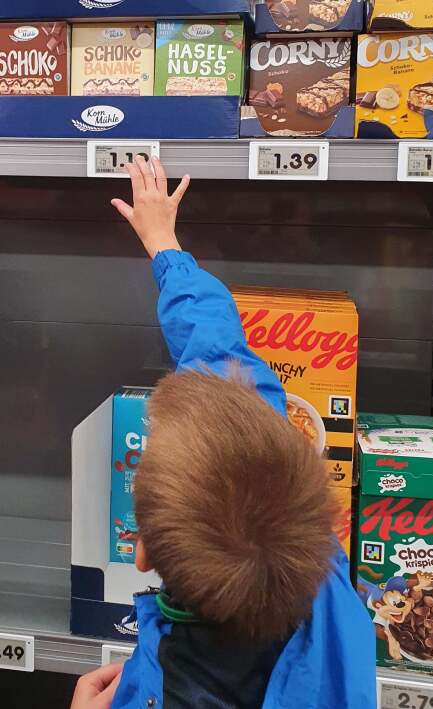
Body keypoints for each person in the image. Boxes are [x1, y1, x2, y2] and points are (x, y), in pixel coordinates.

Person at [71, 156, 376, 709]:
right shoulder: (326, 586)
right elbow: (217, 347)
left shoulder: (157, 688)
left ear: (140, 552)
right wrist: (166, 245)